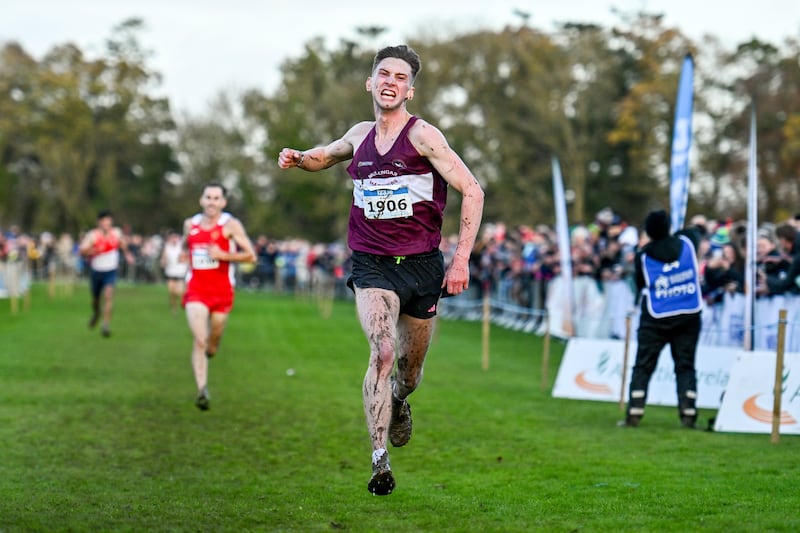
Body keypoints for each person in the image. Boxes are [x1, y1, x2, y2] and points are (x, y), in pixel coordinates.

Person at [278, 44, 485, 496]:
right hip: (372, 263)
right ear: (370, 83)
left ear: (410, 91)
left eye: (400, 77)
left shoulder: (423, 136)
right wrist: (299, 157)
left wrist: (461, 259)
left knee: (408, 374)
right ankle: (379, 461)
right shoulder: (359, 135)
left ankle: (398, 399)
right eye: (384, 74)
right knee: (383, 351)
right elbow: (326, 155)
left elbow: (473, 190)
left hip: (422, 267)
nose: (391, 82)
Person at [620, 209, 703, 429]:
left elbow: (640, 284)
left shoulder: (643, 256)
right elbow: (695, 231)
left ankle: (635, 412)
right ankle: (689, 413)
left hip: (656, 318)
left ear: (648, 231)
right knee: (685, 366)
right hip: (688, 314)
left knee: (643, 366)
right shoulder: (687, 242)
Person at [181, 182, 256, 411]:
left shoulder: (230, 225)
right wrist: (184, 256)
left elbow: (251, 256)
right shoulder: (190, 224)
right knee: (200, 339)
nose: (211, 202)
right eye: (208, 197)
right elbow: (186, 246)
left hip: (222, 291)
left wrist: (223, 254)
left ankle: (213, 347)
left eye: (216, 198)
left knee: (212, 343)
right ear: (201, 200)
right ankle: (202, 389)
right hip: (196, 290)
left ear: (223, 202)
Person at [78, 210, 133, 337]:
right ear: (99, 223)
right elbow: (82, 252)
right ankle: (96, 313)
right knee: (96, 300)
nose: (106, 225)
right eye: (104, 222)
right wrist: (94, 250)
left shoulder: (116, 233)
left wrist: (128, 255)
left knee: (108, 295)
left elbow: (122, 244)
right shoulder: (93, 235)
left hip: (111, 270)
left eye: (109, 222)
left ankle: (105, 325)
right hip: (97, 271)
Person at [160, 230, 189, 314]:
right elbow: (164, 259)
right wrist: (163, 262)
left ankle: (182, 304)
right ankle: (174, 307)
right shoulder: (167, 247)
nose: (174, 239)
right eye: (172, 238)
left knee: (179, 292)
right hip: (170, 272)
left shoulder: (182, 246)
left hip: (181, 272)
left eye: (175, 237)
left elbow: (186, 257)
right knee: (171, 292)